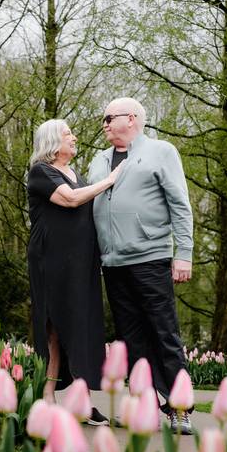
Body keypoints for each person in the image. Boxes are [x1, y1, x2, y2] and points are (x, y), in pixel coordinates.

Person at [88, 97, 194, 434]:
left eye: (108, 118)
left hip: (150, 258)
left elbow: (180, 204)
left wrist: (184, 253)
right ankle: (143, 407)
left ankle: (179, 409)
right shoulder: (99, 159)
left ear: (130, 119)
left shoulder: (161, 152)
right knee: (129, 339)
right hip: (113, 262)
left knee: (164, 333)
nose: (103, 124)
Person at [27, 119, 122, 426]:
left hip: (82, 261)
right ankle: (48, 396)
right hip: (51, 258)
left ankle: (81, 401)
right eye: (68, 134)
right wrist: (111, 179)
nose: (74, 138)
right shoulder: (41, 172)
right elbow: (69, 200)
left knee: (83, 326)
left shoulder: (76, 175)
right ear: (53, 140)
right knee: (54, 324)